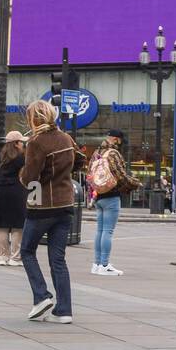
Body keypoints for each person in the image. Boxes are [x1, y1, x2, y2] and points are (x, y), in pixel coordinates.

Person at [19, 100, 84, 322]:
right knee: (58, 259)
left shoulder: (36, 142)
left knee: (27, 250)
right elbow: (80, 160)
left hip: (43, 204)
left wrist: (23, 174)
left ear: (33, 118)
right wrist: (63, 174)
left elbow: (30, 177)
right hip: (65, 204)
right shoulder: (66, 138)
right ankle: (64, 311)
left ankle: (41, 296)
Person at [0, 131, 28, 266]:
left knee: (1, 226)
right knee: (17, 226)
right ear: (16, 144)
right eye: (21, 142)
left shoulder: (1, 157)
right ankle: (15, 257)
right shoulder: (22, 158)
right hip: (16, 193)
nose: (23, 144)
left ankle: (2, 257)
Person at [89, 129, 128, 276]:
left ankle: (97, 264)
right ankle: (104, 265)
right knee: (108, 231)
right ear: (116, 139)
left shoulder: (97, 152)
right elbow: (121, 175)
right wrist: (133, 184)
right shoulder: (113, 153)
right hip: (111, 196)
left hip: (99, 195)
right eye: (120, 140)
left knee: (100, 231)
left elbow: (90, 174)